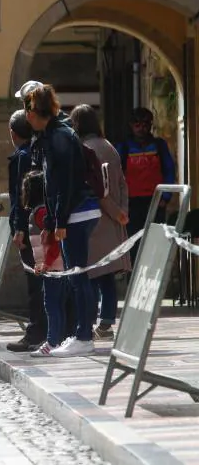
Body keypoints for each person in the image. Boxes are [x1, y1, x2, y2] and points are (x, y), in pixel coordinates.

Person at [24, 85, 100, 357]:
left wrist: (59, 221)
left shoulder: (59, 136)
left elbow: (64, 182)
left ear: (35, 111)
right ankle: (80, 333)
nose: (26, 116)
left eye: (28, 109)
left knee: (78, 276)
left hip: (76, 211)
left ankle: (83, 336)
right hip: (73, 211)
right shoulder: (53, 134)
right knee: (74, 275)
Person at [70, 105, 131, 340]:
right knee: (107, 273)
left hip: (95, 217)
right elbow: (122, 183)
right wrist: (122, 212)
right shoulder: (110, 147)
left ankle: (92, 321)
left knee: (91, 273)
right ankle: (106, 321)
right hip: (113, 219)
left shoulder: (84, 149)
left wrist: (115, 211)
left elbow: (99, 191)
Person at [5, 110, 47, 352]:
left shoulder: (22, 157)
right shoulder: (40, 149)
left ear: (12, 133)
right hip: (44, 221)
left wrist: (18, 227)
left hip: (31, 224)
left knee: (35, 279)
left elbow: (19, 198)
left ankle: (36, 332)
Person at [115, 107, 175, 263]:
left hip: (155, 203)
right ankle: (133, 282)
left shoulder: (159, 145)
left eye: (145, 124)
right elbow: (116, 176)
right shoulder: (123, 147)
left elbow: (169, 171)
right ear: (131, 125)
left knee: (156, 244)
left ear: (150, 125)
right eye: (137, 124)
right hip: (132, 205)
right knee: (133, 246)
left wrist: (166, 197)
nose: (141, 128)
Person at [22, 171, 69, 357]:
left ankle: (52, 341)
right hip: (51, 267)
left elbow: (54, 241)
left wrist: (47, 263)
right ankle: (58, 339)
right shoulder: (39, 211)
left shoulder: (41, 212)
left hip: (54, 267)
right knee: (55, 304)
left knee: (51, 304)